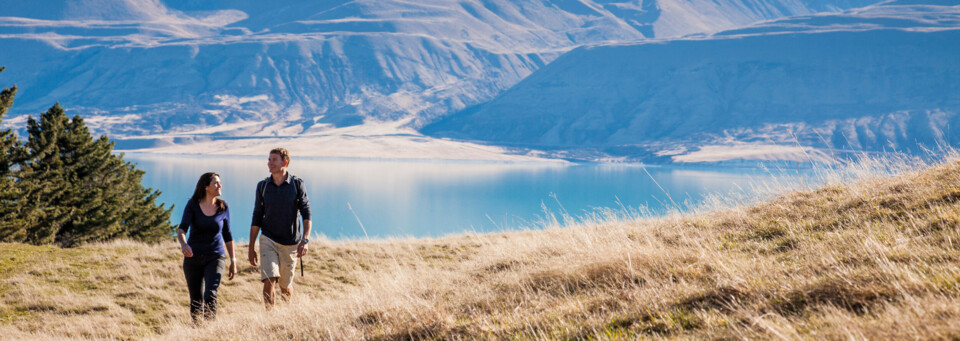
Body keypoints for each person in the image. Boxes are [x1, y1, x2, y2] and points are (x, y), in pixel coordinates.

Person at [248, 148, 312, 309]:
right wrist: (251, 247)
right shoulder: (263, 186)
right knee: (269, 279)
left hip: (291, 243)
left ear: (285, 162)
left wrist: (305, 239)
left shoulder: (297, 184)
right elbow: (257, 216)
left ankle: (287, 314)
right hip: (268, 238)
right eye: (269, 159)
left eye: (273, 160)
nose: (269, 163)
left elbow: (306, 212)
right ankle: (270, 317)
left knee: (285, 286)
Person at [177, 172, 237, 323]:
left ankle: (210, 329)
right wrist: (184, 245)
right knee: (196, 300)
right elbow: (182, 229)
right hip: (193, 258)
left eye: (219, 182)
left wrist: (233, 260)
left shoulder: (223, 206)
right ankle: (197, 331)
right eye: (216, 183)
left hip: (215, 256)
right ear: (206, 187)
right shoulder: (192, 205)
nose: (219, 185)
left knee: (210, 294)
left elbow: (228, 235)